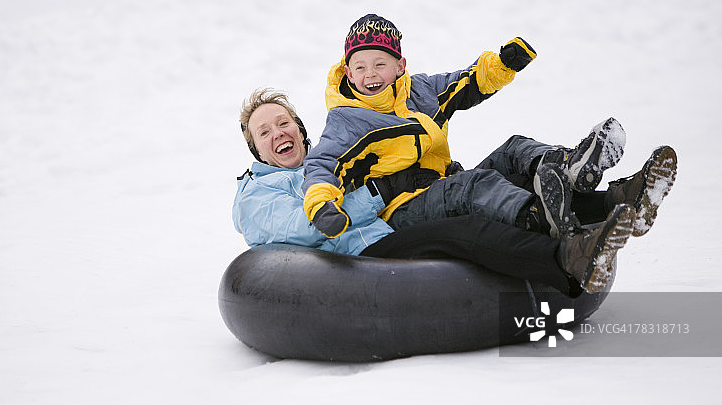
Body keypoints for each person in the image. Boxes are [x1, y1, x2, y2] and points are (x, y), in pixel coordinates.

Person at [233, 88, 657, 296]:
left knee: (507, 159)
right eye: (265, 131)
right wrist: (382, 191)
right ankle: (567, 260)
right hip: (369, 246)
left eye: (283, 123)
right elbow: (309, 228)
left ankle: (614, 202)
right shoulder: (257, 196)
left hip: (397, 211)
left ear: (300, 129)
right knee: (467, 225)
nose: (278, 134)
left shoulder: (331, 159)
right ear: (256, 148)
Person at [300, 14, 677, 245]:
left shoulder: (420, 90)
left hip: (439, 185)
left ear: (399, 66)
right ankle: (541, 218)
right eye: (361, 66)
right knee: (476, 185)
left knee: (514, 147)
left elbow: (466, 83)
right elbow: (322, 164)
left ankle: (572, 169)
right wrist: (321, 205)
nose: (370, 75)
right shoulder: (346, 120)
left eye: (379, 64)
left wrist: (502, 64)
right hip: (402, 210)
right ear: (347, 71)